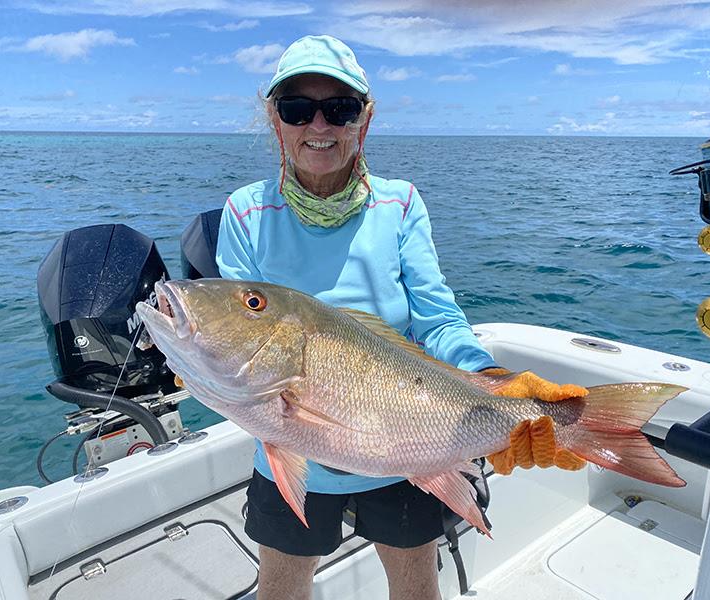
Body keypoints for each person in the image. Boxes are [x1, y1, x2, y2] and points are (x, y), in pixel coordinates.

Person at [216, 34, 582, 600]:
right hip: (286, 446)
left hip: (408, 448)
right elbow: (233, 344)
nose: (320, 125)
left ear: (365, 119)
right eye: (297, 108)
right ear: (275, 119)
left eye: (339, 109)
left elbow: (436, 321)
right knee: (281, 588)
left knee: (415, 587)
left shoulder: (401, 203)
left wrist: (493, 384)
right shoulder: (243, 213)